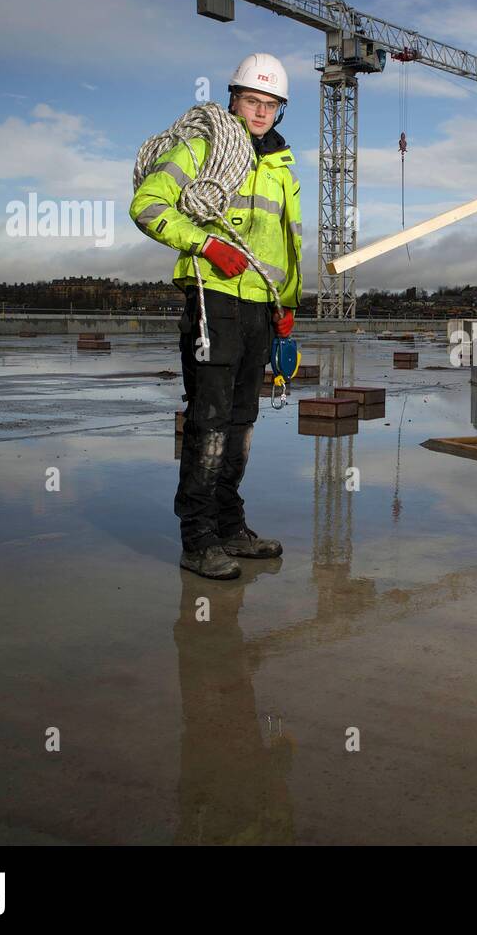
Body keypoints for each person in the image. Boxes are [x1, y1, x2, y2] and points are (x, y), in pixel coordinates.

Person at [130, 53, 303, 579]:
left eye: (270, 104)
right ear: (233, 98)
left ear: (280, 110)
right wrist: (204, 244)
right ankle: (198, 538)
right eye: (252, 100)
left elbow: (288, 244)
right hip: (214, 298)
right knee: (209, 417)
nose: (260, 111)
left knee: (242, 418)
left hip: (260, 305)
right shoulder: (204, 147)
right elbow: (148, 204)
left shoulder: (282, 168)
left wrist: (287, 304)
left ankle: (231, 526)